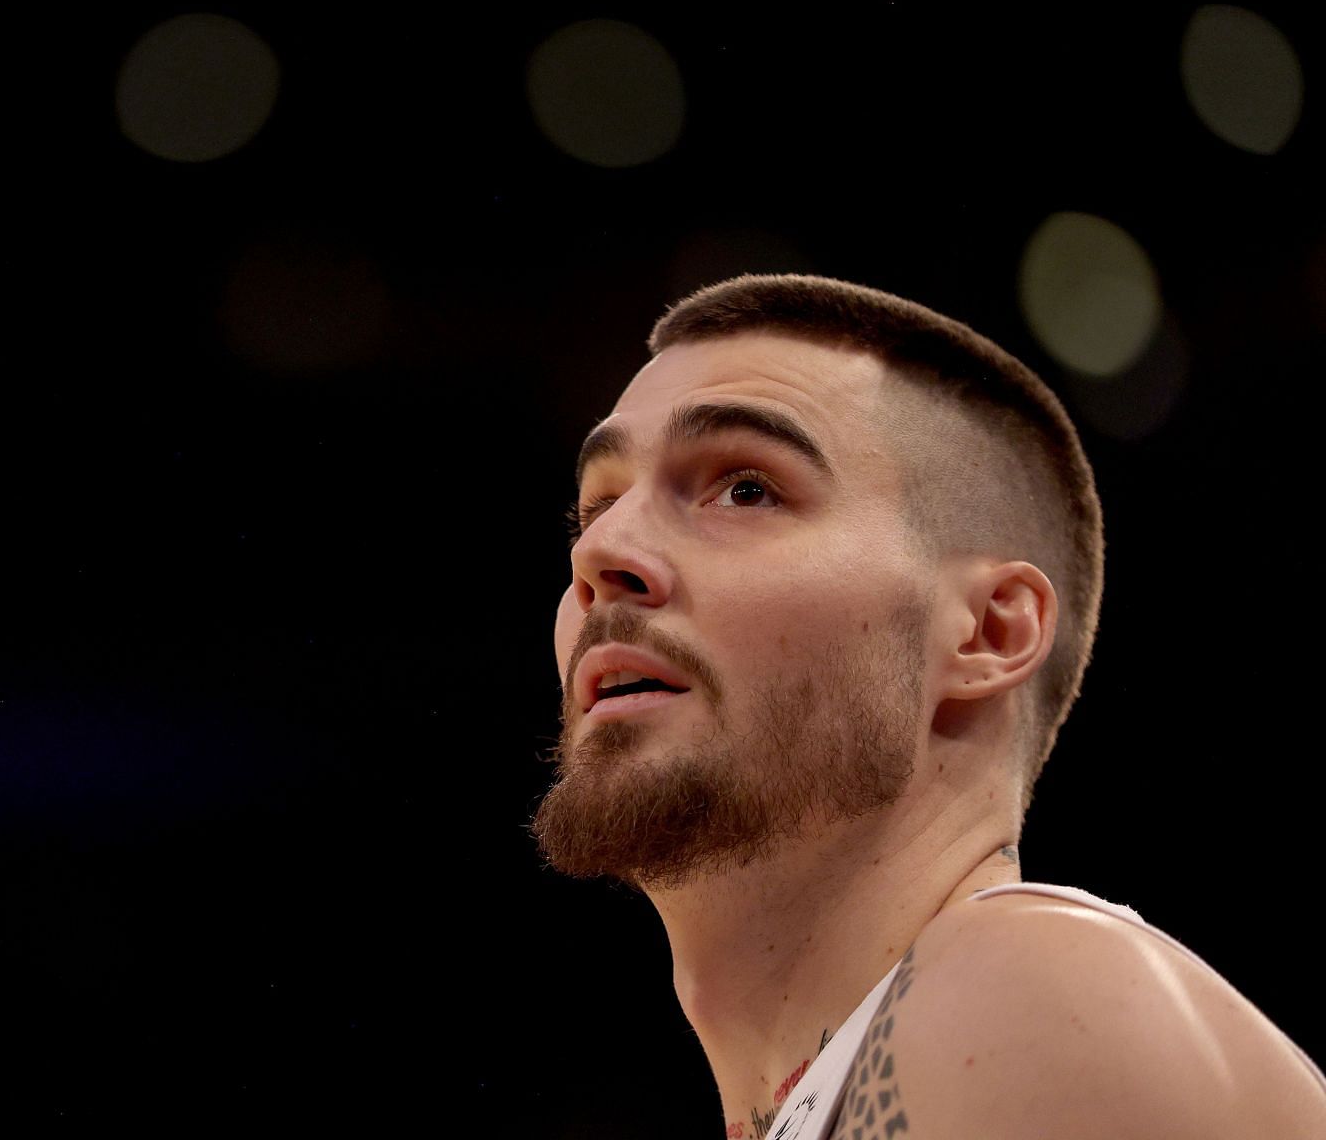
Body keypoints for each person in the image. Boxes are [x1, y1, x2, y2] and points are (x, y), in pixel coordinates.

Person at [530, 273, 1326, 1138]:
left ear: (987, 631)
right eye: (596, 507)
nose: (603, 551)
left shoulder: (1020, 992)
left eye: (745, 488)